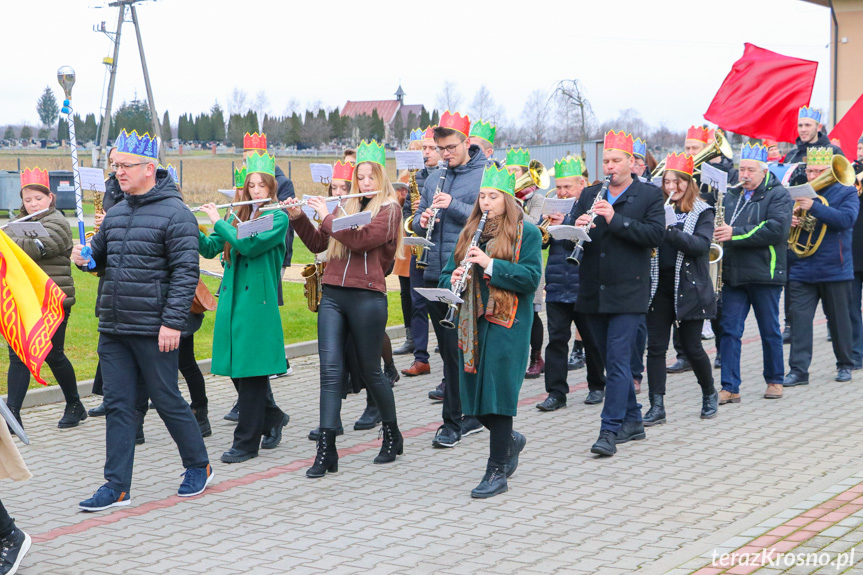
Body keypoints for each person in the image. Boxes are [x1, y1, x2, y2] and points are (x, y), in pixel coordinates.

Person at [73, 129, 212, 511]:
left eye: (125, 165)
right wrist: (84, 258)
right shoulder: (116, 213)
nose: (117, 171)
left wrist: (172, 323)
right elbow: (100, 261)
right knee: (118, 405)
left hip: (155, 329)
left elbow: (186, 272)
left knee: (166, 399)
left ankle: (198, 465)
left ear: (149, 168)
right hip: (114, 327)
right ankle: (116, 486)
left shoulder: (177, 214)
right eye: (114, 165)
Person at [288, 140, 404, 477]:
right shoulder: (347, 205)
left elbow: (362, 239)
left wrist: (327, 216)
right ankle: (327, 450)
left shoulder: (390, 211)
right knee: (330, 371)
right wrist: (298, 218)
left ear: (382, 178)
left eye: (371, 177)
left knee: (371, 371)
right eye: (361, 177)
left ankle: (392, 433)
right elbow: (319, 243)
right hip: (334, 295)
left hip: (367, 296)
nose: (365, 183)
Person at [441, 164, 542, 498]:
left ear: (508, 199)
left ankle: (496, 470)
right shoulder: (470, 231)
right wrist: (453, 278)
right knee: (476, 400)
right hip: (472, 322)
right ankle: (510, 439)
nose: (486, 202)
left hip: (508, 322)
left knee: (497, 396)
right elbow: (444, 275)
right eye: (482, 196)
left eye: (494, 196)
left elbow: (530, 278)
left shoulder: (526, 232)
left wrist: (489, 264)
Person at [571, 130, 665, 457]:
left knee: (618, 359)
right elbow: (571, 230)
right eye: (606, 161)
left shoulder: (649, 195)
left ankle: (609, 430)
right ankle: (633, 420)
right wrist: (573, 225)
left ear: (631, 163)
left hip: (629, 290)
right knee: (608, 361)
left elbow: (655, 235)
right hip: (592, 289)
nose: (609, 166)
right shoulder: (591, 193)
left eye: (616, 161)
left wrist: (616, 219)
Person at [198, 151, 290, 463]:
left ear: (271, 187)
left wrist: (219, 222)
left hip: (256, 302)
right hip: (233, 298)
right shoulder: (236, 215)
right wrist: (191, 226)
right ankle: (273, 416)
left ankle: (246, 442)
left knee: (250, 372)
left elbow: (248, 245)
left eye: (262, 185)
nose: (256, 191)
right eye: (251, 186)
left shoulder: (277, 217)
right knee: (239, 368)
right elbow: (212, 247)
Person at [414, 111, 486, 448]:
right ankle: (465, 413)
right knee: (447, 350)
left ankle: (455, 420)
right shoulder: (433, 178)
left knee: (465, 349)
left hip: (469, 274)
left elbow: (489, 218)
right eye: (441, 148)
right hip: (435, 270)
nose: (445, 154)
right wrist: (423, 217)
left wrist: (453, 205)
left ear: (467, 143)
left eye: (450, 147)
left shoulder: (485, 174)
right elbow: (416, 222)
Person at [4, 168, 85, 429]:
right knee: (19, 353)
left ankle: (74, 403)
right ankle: (13, 415)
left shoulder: (58, 222)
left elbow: (38, 249)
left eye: (38, 199)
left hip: (53, 299)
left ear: (50, 197)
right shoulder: (17, 223)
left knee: (53, 355)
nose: (32, 204)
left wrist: (8, 238)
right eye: (27, 200)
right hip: (24, 300)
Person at [714, 143, 793, 404]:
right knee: (729, 330)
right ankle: (730, 386)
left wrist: (734, 234)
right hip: (734, 274)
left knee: (769, 329)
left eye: (750, 170)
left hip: (764, 273)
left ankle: (775, 380)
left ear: (763, 172)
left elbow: (776, 230)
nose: (744, 175)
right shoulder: (732, 195)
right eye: (741, 169)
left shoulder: (779, 195)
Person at [643, 154, 718, 425]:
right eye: (667, 181)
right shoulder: (655, 206)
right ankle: (657, 406)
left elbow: (700, 246)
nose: (671, 187)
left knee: (692, 346)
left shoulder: (702, 211)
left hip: (689, 287)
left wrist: (669, 230)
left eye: (678, 182)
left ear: (688, 183)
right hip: (659, 287)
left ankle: (709, 392)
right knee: (656, 348)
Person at [783, 147, 858, 387]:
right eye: (810, 171)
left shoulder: (846, 191)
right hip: (802, 268)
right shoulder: (797, 193)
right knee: (800, 322)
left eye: (819, 171)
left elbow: (846, 220)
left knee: (839, 321)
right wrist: (790, 220)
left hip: (835, 269)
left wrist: (814, 206)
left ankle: (845, 364)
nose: (813, 176)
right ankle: (798, 371)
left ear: (831, 171)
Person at [536, 156, 607, 410]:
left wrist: (564, 223)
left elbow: (590, 239)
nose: (563, 191)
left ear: (582, 184)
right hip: (556, 284)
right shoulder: (553, 207)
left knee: (592, 339)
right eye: (560, 186)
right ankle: (556, 392)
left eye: (568, 186)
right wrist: (542, 227)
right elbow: (541, 243)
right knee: (556, 340)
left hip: (583, 284)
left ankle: (597, 385)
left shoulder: (592, 206)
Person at [243, 132, 295, 381]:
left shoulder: (282, 185)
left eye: (251, 158)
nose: (247, 165)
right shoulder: (246, 195)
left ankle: (277, 362)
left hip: (270, 255)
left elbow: (273, 228)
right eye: (245, 160)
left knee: (267, 310)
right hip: (246, 270)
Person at [88, 146, 125, 418]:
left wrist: (108, 219)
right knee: (107, 336)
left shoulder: (130, 187)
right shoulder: (108, 184)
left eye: (118, 162)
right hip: (109, 270)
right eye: (112, 162)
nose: (114, 167)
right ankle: (107, 395)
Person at [402, 126, 441, 380]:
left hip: (439, 249)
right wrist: (414, 215)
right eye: (424, 148)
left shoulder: (448, 177)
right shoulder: (415, 178)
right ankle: (420, 358)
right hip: (419, 247)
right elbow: (406, 212)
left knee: (438, 304)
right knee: (417, 304)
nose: (426, 152)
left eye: (431, 148)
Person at [505, 147, 546, 379]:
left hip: (529, 260)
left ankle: (536, 358)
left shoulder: (538, 198)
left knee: (532, 311)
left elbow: (535, 225)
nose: (511, 175)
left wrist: (515, 204)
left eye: (515, 171)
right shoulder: (504, 196)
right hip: (507, 257)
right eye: (508, 170)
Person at [393, 128, 425, 356]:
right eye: (412, 150)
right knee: (406, 291)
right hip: (407, 238)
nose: (415, 154)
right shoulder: (403, 177)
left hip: (423, 239)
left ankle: (425, 336)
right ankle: (410, 337)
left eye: (419, 150)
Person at [850, 134, 863, 369]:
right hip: (854, 250)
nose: (861, 151)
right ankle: (855, 353)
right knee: (851, 307)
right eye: (860, 147)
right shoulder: (849, 172)